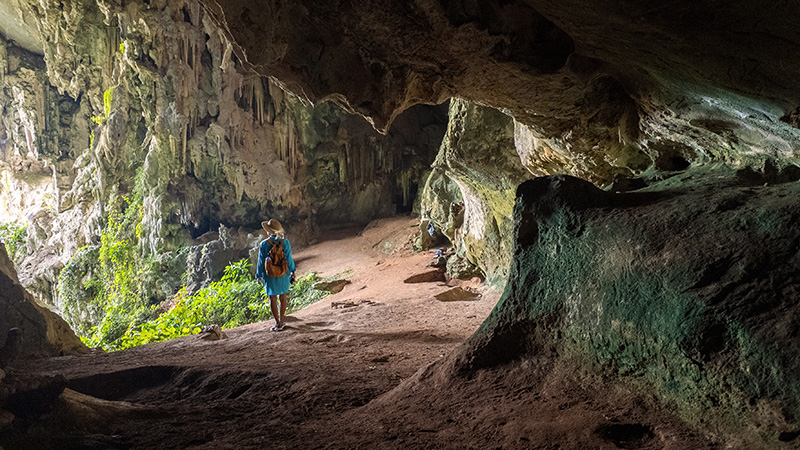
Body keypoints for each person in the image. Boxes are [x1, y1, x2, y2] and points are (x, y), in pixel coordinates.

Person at [256, 219, 296, 331]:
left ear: (269, 231)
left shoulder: (264, 244)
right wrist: (292, 271)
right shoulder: (285, 242)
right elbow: (289, 258)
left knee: (272, 298)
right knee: (283, 297)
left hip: (269, 274)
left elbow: (261, 262)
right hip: (283, 272)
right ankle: (282, 320)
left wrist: (259, 275)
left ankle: (277, 322)